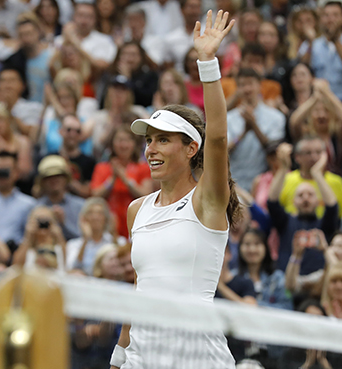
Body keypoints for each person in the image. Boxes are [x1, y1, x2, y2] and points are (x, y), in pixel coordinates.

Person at [110, 11, 238, 368]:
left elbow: (218, 136)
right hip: (141, 359)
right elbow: (139, 290)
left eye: (163, 140)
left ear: (191, 149)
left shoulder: (207, 202)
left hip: (198, 358)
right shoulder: (137, 209)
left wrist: (207, 62)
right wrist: (118, 358)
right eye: (149, 140)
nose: (150, 149)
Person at [267, 143, 339, 274]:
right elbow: (272, 202)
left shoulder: (324, 225)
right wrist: (283, 168)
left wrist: (316, 174)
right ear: (294, 202)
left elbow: (332, 206)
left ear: (318, 201)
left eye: (310, 195)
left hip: (318, 282)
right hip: (287, 283)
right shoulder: (285, 222)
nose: (305, 198)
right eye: (300, 195)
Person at [227, 68, 286, 191]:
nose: (247, 89)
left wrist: (254, 126)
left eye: (250, 84)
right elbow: (224, 152)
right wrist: (243, 133)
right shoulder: (228, 119)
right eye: (242, 85)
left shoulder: (276, 117)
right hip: (234, 183)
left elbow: (274, 151)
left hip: (264, 183)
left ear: (260, 86)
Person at [90, 126, 153, 239]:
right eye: (119, 140)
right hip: (109, 226)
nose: (123, 145)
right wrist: (112, 180)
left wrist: (125, 178)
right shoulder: (102, 167)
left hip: (135, 222)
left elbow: (146, 194)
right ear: (113, 144)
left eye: (128, 140)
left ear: (134, 144)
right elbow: (95, 195)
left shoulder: (142, 168)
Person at [303, 0, 342, 101]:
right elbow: (303, 66)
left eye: (335, 15)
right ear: (320, 20)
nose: (330, 19)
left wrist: (335, 40)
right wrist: (310, 43)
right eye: (326, 15)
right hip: (320, 102)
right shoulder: (312, 44)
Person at [278, 136, 342, 218]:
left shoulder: (336, 181)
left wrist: (317, 174)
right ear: (297, 157)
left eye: (318, 152)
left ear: (325, 155)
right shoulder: (286, 180)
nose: (314, 157)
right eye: (308, 153)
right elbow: (276, 211)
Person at [235, 228, 292, 310]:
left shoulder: (277, 278)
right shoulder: (233, 276)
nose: (252, 249)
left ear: (266, 247)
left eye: (257, 244)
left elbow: (287, 307)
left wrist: (256, 305)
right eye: (247, 244)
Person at [34, 155, 86, 241]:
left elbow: (85, 239)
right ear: (42, 182)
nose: (54, 180)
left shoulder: (80, 206)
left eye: (58, 175)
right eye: (48, 177)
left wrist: (64, 223)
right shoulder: (36, 208)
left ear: (66, 179)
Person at [66, 197, 122, 275]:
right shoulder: (74, 244)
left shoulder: (118, 241)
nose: (95, 217)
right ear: (84, 219)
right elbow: (72, 268)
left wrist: (114, 234)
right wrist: (85, 240)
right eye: (90, 213)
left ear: (106, 218)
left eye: (100, 213)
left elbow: (122, 264)